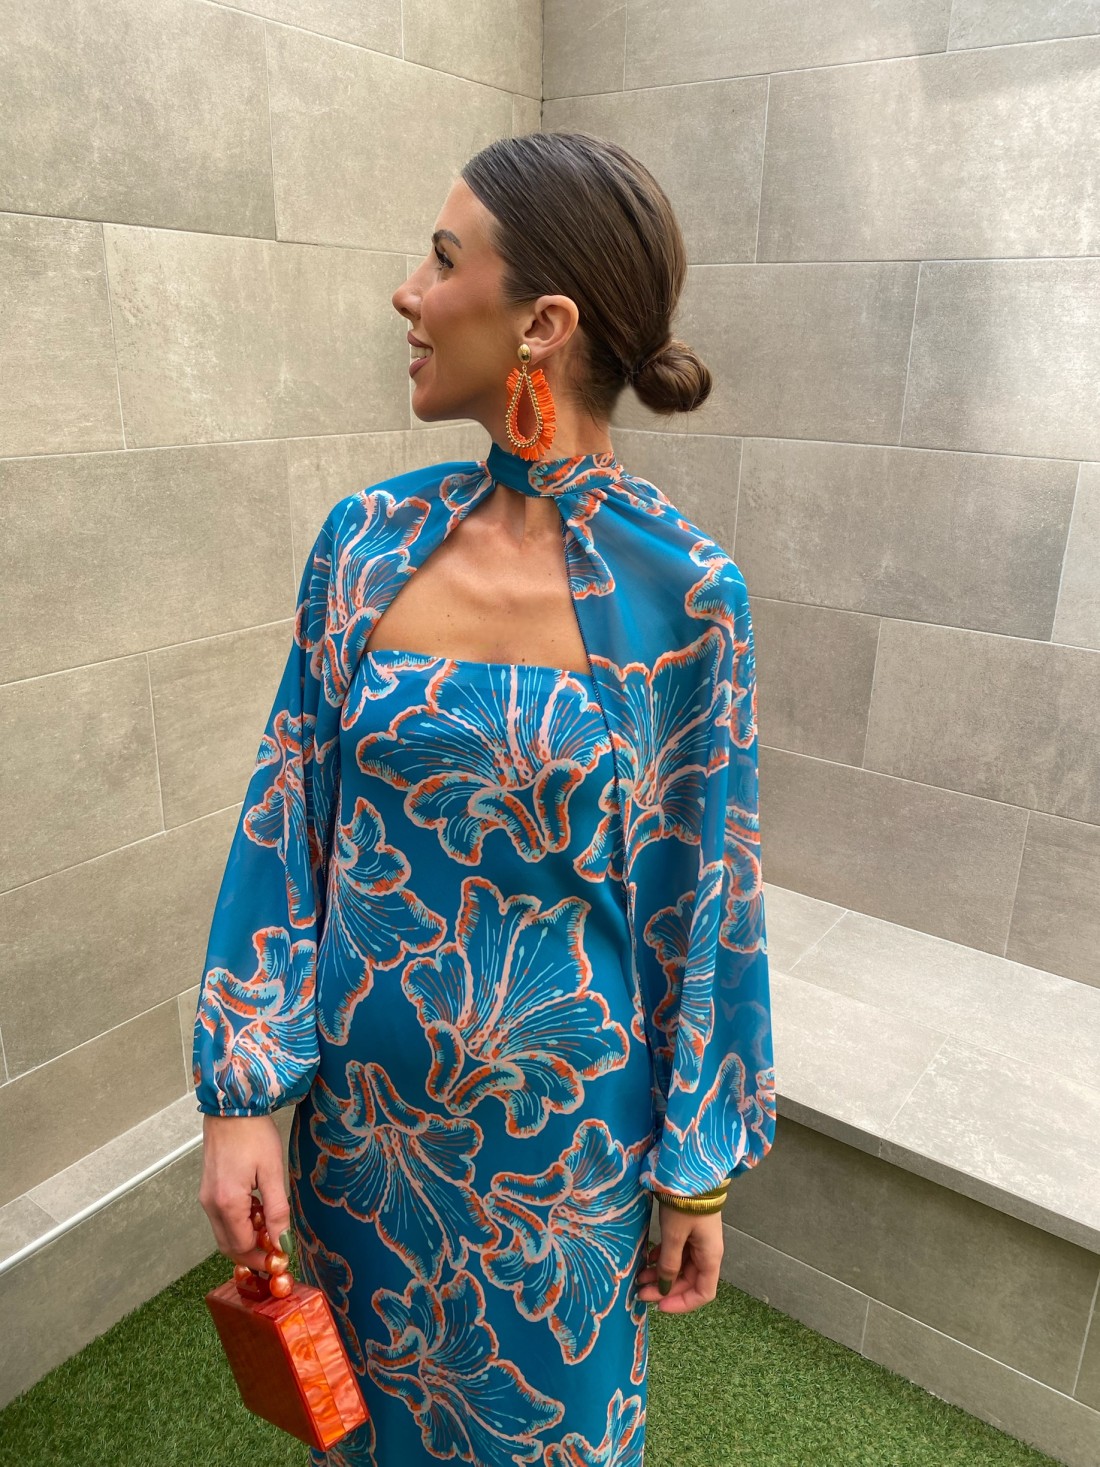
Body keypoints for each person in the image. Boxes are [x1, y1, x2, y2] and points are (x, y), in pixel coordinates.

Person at [194, 130, 775, 1467]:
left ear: (543, 324)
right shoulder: (365, 544)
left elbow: (708, 899)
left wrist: (695, 1168)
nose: (408, 293)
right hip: (361, 1146)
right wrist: (241, 1096)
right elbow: (286, 826)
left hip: (560, 1170)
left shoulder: (686, 595)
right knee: (367, 1436)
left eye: (444, 260)